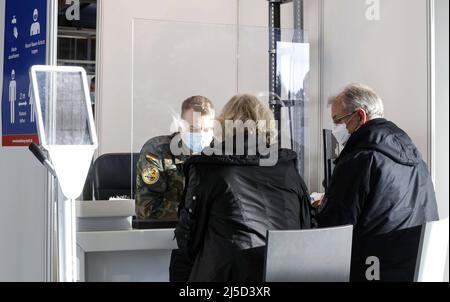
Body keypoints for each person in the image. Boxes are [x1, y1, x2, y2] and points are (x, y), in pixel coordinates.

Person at [174, 94, 314, 282]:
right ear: (267, 125)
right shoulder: (288, 167)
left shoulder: (208, 168)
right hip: (283, 271)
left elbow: (188, 236)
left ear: (224, 125)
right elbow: (306, 225)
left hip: (226, 274)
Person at [317, 83, 439, 282]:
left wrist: (321, 206)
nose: (336, 129)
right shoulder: (413, 154)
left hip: (372, 270)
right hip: (411, 267)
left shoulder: (358, 159)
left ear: (360, 116)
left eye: (338, 121)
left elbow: (333, 230)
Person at [135, 95, 215, 220]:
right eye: (194, 129)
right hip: (164, 232)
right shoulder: (157, 152)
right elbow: (147, 208)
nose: (201, 135)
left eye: (207, 129)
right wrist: (199, 212)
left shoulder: (219, 153)